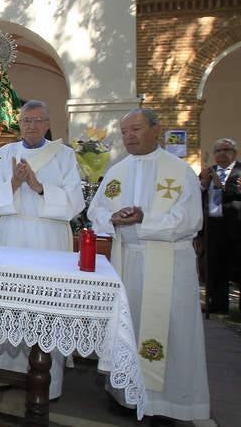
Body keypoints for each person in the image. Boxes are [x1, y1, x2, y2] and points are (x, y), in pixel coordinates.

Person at [88, 108, 209, 424]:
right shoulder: (118, 171)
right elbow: (96, 210)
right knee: (130, 327)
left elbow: (190, 220)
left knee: (171, 329)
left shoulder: (179, 171)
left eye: (136, 129)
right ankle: (125, 396)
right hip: (126, 260)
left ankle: (169, 403)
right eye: (125, 131)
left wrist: (145, 219)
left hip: (169, 263)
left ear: (157, 130)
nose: (129, 136)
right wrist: (111, 220)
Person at [0, 100, 85, 399]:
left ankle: (47, 381)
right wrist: (14, 183)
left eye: (38, 120)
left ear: (48, 123)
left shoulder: (64, 155)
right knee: (9, 301)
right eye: (26, 120)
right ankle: (4, 373)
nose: (31, 125)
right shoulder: (4, 154)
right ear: (19, 123)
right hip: (12, 233)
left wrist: (39, 186)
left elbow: (76, 203)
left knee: (45, 303)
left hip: (49, 238)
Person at [199, 137, 241, 314]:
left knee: (238, 266)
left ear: (234, 153)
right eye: (218, 151)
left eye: (227, 150)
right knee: (215, 266)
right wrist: (203, 184)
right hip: (213, 227)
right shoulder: (209, 171)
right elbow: (197, 196)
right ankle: (216, 304)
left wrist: (222, 187)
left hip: (236, 226)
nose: (222, 154)